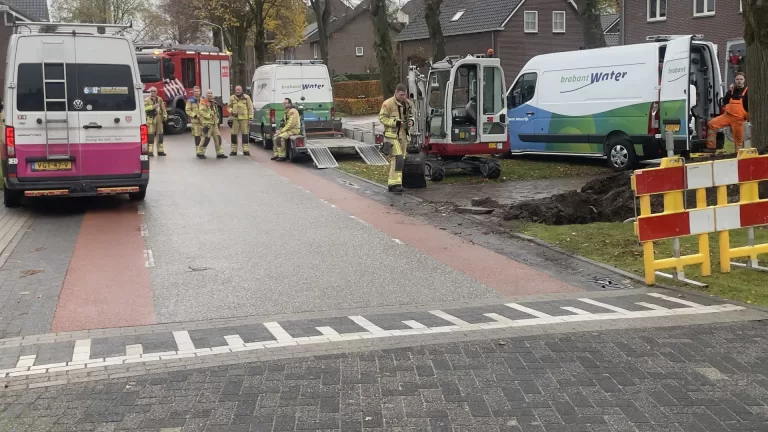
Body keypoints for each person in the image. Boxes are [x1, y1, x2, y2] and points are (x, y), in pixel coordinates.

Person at [378, 83, 413, 192]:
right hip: (392, 135)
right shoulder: (387, 104)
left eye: (405, 95)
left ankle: (395, 182)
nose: (403, 97)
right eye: (401, 95)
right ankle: (395, 184)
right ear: (396, 93)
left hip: (403, 134)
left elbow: (412, 116)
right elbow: (382, 118)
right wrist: (394, 122)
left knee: (400, 159)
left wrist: (411, 121)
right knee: (397, 158)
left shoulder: (407, 104)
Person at [708, 71, 749, 152]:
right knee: (711, 124)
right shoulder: (731, 90)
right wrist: (729, 91)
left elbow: (749, 107)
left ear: (744, 80)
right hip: (727, 116)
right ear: (734, 80)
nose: (739, 81)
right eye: (737, 79)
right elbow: (724, 101)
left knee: (738, 140)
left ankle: (738, 155)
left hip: (739, 119)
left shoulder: (747, 91)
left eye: (741, 79)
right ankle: (711, 148)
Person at [196, 89, 228, 159]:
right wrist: (209, 116)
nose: (210, 95)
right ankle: (200, 153)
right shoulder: (203, 102)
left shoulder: (213, 102)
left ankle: (220, 153)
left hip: (214, 124)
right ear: (206, 94)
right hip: (207, 124)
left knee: (218, 138)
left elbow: (215, 111)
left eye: (211, 93)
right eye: (208, 93)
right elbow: (201, 111)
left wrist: (217, 119)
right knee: (205, 139)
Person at [228, 85, 254, 156]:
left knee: (245, 135)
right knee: (233, 135)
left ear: (242, 90)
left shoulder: (247, 98)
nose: (238, 91)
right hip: (235, 119)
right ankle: (233, 150)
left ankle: (246, 150)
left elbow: (250, 108)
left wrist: (250, 118)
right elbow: (229, 107)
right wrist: (232, 111)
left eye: (239, 90)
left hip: (244, 119)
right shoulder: (232, 98)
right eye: (236, 90)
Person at [144, 87, 167, 156]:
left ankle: (160, 150)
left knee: (160, 133)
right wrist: (153, 106)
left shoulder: (159, 99)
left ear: (156, 92)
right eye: (151, 91)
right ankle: (150, 151)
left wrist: (165, 115)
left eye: (154, 91)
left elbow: (163, 108)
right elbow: (144, 108)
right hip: (151, 118)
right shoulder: (146, 100)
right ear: (150, 92)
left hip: (159, 117)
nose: (153, 92)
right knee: (150, 134)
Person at [186, 86, 203, 151]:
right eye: (195, 91)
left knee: (204, 136)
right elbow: (188, 110)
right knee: (197, 136)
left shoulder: (204, 100)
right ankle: (198, 150)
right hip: (195, 122)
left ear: (200, 92)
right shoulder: (190, 100)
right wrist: (195, 115)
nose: (196, 93)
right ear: (193, 92)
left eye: (197, 91)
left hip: (204, 121)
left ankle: (202, 150)